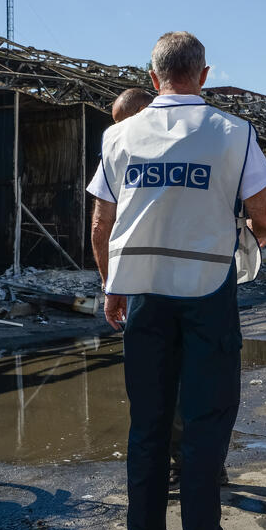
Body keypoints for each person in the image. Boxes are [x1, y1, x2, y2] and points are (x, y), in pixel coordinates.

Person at [88, 32, 266, 530]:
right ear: (204, 74)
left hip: (143, 293)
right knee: (204, 419)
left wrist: (111, 283)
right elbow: (263, 213)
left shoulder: (119, 136)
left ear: (153, 79)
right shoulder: (232, 133)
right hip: (205, 292)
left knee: (147, 423)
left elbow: (101, 223)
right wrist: (249, 232)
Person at [110, 86, 231, 492]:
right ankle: (196, 470)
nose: (123, 131)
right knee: (183, 386)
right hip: (184, 284)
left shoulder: (191, 142)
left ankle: (194, 468)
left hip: (178, 286)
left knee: (176, 389)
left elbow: (101, 222)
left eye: (125, 121)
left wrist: (115, 284)